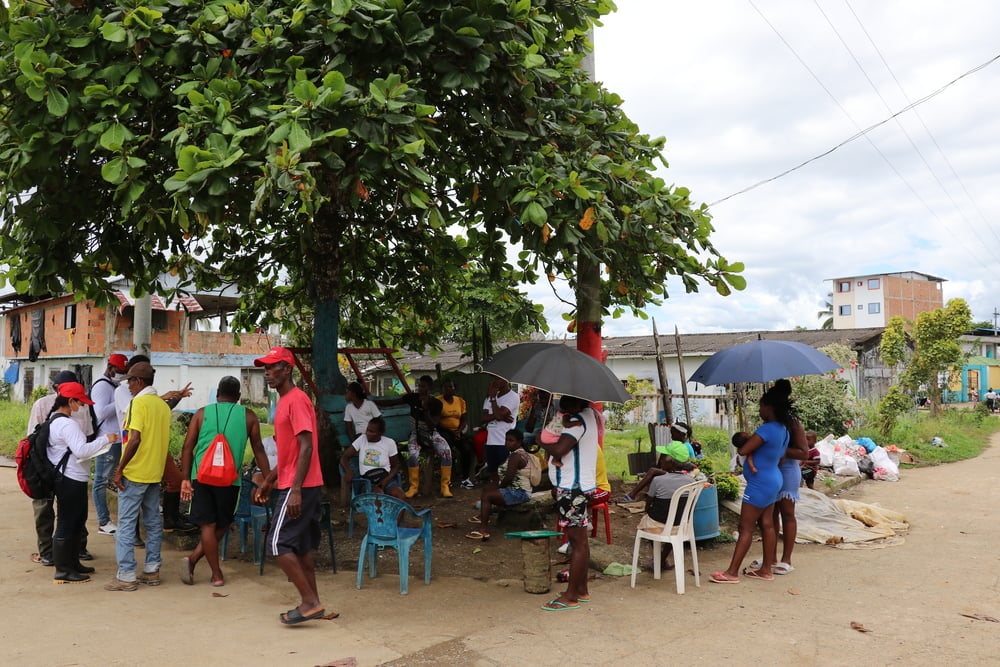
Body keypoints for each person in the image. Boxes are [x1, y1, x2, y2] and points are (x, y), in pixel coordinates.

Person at [252, 347, 328, 625]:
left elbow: (307, 446)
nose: (267, 373)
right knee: (302, 548)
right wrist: (269, 480)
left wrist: (294, 489)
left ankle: (310, 602)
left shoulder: (297, 400)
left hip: (301, 486)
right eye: (265, 368)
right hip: (298, 483)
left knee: (277, 543)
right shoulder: (284, 401)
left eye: (272, 367)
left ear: (287, 369)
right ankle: (314, 603)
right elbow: (290, 452)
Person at [179, 376, 271, 587]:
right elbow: (258, 449)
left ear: (218, 394)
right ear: (238, 396)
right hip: (230, 480)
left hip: (201, 476)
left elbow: (187, 447)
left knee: (208, 525)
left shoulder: (202, 413)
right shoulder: (248, 416)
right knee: (223, 522)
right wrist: (267, 479)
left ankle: (198, 562)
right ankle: (214, 572)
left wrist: (185, 478)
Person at [710, 384, 793, 584]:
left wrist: (748, 443)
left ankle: (731, 572)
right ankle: (766, 569)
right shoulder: (784, 429)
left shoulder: (767, 429)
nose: (759, 410)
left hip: (759, 483)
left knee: (745, 527)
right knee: (767, 525)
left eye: (761, 406)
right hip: (773, 479)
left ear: (769, 407)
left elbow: (743, 450)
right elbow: (780, 457)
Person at [113, 354, 196, 540]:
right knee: (131, 498)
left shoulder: (149, 398)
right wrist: (120, 470)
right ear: (134, 376)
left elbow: (162, 408)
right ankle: (132, 537)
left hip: (155, 447)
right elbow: (135, 419)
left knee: (174, 481)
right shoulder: (124, 392)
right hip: (137, 449)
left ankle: (170, 520)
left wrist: (177, 397)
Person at [106, 361, 171, 591]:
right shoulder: (162, 406)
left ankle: (126, 575)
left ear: (139, 382)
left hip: (135, 472)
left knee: (126, 524)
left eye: (130, 382)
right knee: (153, 523)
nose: (128, 386)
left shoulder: (138, 403)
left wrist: (120, 469)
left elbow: (134, 439)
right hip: (154, 473)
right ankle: (152, 570)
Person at [48, 382, 120, 583]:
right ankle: (63, 570)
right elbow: (81, 450)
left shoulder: (56, 420)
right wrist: (105, 439)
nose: (82, 407)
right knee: (66, 523)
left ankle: (73, 564)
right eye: (80, 402)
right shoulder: (67, 424)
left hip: (70, 477)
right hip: (70, 478)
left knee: (76, 522)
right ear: (70, 401)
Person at [27, 370, 95, 567]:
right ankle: (48, 552)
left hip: (72, 469)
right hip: (46, 469)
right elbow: (33, 438)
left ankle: (78, 549)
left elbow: (88, 434)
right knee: (44, 510)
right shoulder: (42, 405)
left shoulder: (81, 406)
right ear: (58, 390)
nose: (80, 404)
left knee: (74, 512)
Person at [540, 395, 599, 611]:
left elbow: (558, 449)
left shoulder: (578, 421)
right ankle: (581, 589)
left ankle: (571, 595)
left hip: (572, 488)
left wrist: (538, 439)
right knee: (580, 540)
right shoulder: (590, 415)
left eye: (569, 404)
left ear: (580, 402)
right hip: (579, 486)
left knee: (577, 542)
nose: (566, 408)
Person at [748, 379, 809, 576]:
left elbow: (804, 453)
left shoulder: (793, 423)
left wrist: (784, 451)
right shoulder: (770, 424)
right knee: (770, 516)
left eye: (762, 405)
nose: (760, 410)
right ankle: (770, 558)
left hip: (788, 471)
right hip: (770, 472)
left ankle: (786, 559)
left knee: (787, 513)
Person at [379, 375, 453, 499]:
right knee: (413, 455)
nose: (420, 388)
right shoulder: (413, 398)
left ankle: (445, 486)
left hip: (431, 434)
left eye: (423, 386)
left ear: (430, 389)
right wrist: (371, 401)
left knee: (447, 453)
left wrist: (425, 410)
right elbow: (393, 402)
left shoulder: (436, 403)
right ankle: (413, 487)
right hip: (416, 433)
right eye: (419, 385)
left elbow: (433, 425)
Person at [635, 441, 693, 571]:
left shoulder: (658, 480)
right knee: (673, 527)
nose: (660, 461)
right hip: (682, 526)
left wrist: (647, 510)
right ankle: (661, 559)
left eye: (663, 458)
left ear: (671, 463)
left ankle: (658, 558)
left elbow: (649, 503)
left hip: (659, 525)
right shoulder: (691, 481)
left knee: (648, 521)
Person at [465, 429, 531, 540]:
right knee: (487, 489)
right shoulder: (518, 453)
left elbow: (509, 478)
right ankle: (483, 516)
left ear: (519, 442)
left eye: (511, 440)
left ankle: (483, 530)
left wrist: (499, 488)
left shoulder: (516, 456)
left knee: (488, 495)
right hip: (517, 490)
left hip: (519, 492)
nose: (507, 443)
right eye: (506, 440)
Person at [91, 353, 128, 536]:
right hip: (107, 442)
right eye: (120, 371)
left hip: (118, 440)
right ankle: (103, 522)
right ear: (110, 367)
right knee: (100, 481)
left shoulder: (115, 385)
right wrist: (120, 401)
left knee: (120, 478)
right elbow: (100, 413)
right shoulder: (102, 386)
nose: (121, 375)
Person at [340, 416, 406, 500]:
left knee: (400, 496)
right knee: (379, 497)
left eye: (371, 431)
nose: (367, 433)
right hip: (368, 482)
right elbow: (344, 457)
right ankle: (379, 512)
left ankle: (394, 513)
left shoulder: (389, 443)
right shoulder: (361, 440)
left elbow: (395, 465)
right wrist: (348, 471)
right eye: (367, 430)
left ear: (380, 433)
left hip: (385, 478)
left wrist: (386, 480)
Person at [480, 377, 519, 484]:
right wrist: (500, 416)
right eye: (494, 379)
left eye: (499, 379)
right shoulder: (489, 398)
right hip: (491, 441)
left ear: (506, 380)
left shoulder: (513, 397)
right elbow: (483, 418)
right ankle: (497, 492)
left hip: (505, 441)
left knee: (505, 472)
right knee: (493, 472)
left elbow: (498, 415)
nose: (495, 382)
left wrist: (493, 399)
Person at [437, 379, 474, 490]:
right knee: (448, 451)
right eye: (445, 387)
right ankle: (448, 480)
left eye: (450, 387)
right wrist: (451, 432)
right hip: (443, 432)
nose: (447, 389)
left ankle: (465, 479)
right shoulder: (437, 401)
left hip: (457, 431)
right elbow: (436, 422)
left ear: (454, 389)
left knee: (467, 449)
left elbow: (464, 419)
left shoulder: (460, 401)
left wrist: (458, 431)